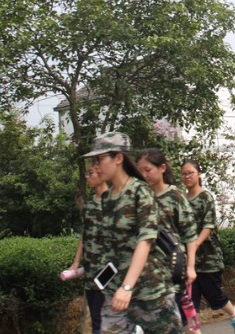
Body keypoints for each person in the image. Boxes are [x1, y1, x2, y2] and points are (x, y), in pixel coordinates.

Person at [86, 132, 183, 334]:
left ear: (118, 158)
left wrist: (127, 287)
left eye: (101, 159)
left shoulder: (141, 192)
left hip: (150, 291)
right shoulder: (106, 198)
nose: (96, 166)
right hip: (116, 293)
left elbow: (145, 241)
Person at [136, 149, 200, 334]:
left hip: (172, 269)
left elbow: (189, 234)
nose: (144, 174)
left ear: (162, 168)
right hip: (148, 274)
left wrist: (191, 266)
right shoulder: (139, 197)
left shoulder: (175, 196)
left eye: (148, 169)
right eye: (140, 170)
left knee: (186, 321)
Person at [180, 160, 235, 334]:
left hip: (209, 258)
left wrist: (195, 243)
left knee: (214, 297)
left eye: (190, 173)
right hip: (190, 261)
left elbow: (208, 225)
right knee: (190, 302)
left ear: (199, 174)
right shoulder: (181, 199)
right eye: (184, 174)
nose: (187, 177)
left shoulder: (205, 197)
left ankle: (234, 315)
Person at [67, 162, 109, 334]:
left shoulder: (113, 201)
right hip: (91, 270)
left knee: (102, 320)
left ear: (101, 173)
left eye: (90, 173)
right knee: (95, 317)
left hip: (108, 272)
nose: (87, 177)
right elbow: (84, 235)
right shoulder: (90, 204)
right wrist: (76, 263)